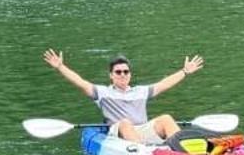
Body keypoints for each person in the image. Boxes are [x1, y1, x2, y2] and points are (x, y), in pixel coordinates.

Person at [42, 49, 204, 144]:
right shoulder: (102, 92)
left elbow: (165, 83)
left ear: (130, 75)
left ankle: (183, 151)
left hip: (141, 131)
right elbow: (80, 82)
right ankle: (143, 154)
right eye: (118, 72)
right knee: (126, 123)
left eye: (125, 72)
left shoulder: (141, 91)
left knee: (166, 119)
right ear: (111, 75)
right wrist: (60, 67)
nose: (122, 74)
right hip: (118, 132)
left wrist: (185, 72)